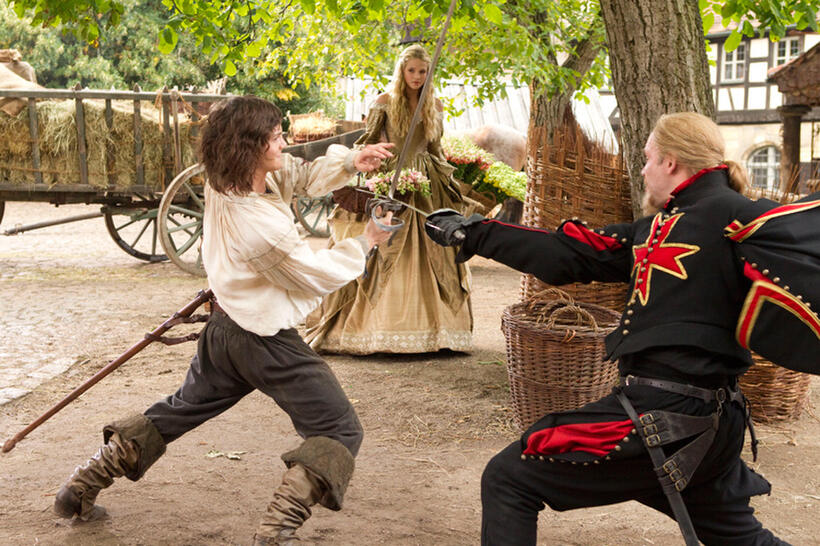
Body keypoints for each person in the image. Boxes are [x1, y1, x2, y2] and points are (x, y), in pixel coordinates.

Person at [424, 112, 818, 545]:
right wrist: (475, 232)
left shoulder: (743, 220)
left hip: (665, 420)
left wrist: (476, 234)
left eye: (647, 159)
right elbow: (568, 253)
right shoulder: (656, 229)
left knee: (509, 477)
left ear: (671, 162)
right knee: (740, 538)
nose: (643, 170)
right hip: (708, 423)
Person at [52, 95, 395, 545]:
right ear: (251, 149)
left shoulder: (229, 180)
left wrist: (354, 160)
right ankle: (276, 532)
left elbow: (298, 173)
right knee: (338, 427)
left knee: (181, 409)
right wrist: (367, 241)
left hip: (225, 331)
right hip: (262, 340)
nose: (284, 143)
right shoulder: (257, 226)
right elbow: (312, 272)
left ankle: (80, 486)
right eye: (276, 137)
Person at [305, 44, 473, 355]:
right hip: (389, 174)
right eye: (412, 71)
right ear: (402, 71)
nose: (417, 77)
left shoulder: (434, 105)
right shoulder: (384, 103)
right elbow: (367, 142)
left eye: (423, 71)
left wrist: (446, 181)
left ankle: (437, 333)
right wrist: (377, 174)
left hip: (427, 183)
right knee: (383, 245)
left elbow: (435, 150)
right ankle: (368, 332)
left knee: (433, 250)